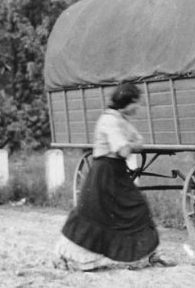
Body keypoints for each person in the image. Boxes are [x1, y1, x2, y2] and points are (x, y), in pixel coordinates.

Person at [53, 83, 175, 271]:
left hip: (116, 172)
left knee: (137, 207)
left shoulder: (121, 119)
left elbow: (138, 141)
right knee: (91, 214)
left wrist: (132, 144)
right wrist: (132, 145)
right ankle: (63, 255)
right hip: (104, 173)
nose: (139, 107)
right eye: (137, 103)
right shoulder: (109, 120)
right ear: (127, 103)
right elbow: (124, 150)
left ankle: (150, 254)